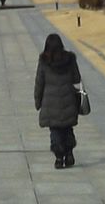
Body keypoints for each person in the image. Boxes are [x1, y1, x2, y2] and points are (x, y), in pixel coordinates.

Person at [34, 32, 82, 169]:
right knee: (67, 129)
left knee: (55, 131)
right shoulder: (70, 59)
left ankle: (59, 157)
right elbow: (77, 78)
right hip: (69, 102)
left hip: (50, 104)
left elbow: (39, 83)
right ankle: (69, 152)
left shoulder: (44, 61)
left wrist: (38, 102)